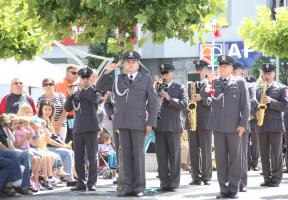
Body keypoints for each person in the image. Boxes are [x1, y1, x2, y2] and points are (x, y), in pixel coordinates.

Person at [96, 51, 159, 197]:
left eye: (133, 62)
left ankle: (139, 188)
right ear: (124, 64)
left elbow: (154, 103)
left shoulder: (146, 80)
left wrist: (150, 123)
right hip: (122, 122)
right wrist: (107, 72)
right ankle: (128, 187)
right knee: (126, 156)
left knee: (138, 156)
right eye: (128, 62)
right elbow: (99, 87)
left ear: (138, 64)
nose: (130, 64)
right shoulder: (119, 79)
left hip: (138, 122)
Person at [200, 55, 250, 199]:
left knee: (235, 159)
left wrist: (243, 125)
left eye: (226, 66)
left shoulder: (239, 82)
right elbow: (203, 95)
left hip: (235, 128)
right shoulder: (213, 82)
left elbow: (245, 106)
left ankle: (233, 189)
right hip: (218, 127)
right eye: (220, 66)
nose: (222, 68)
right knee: (221, 160)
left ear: (231, 68)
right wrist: (208, 82)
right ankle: (223, 189)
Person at [65, 67, 101, 192]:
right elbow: (67, 107)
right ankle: (80, 182)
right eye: (82, 78)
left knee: (92, 157)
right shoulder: (76, 92)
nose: (84, 80)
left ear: (91, 78)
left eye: (87, 78)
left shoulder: (95, 91)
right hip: (78, 129)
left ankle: (92, 183)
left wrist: (81, 90)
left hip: (91, 129)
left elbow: (95, 100)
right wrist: (70, 95)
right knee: (78, 158)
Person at [155, 63, 188, 192]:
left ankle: (174, 183)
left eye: (166, 73)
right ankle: (164, 183)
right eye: (162, 73)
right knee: (161, 157)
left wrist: (170, 99)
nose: (164, 75)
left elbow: (185, 104)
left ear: (172, 73)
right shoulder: (156, 87)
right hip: (159, 126)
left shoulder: (179, 87)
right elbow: (150, 104)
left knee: (174, 157)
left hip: (173, 127)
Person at [256, 63, 288, 187]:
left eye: (269, 73)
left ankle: (276, 178)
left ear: (274, 74)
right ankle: (267, 178)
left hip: (275, 126)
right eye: (265, 73)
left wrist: (271, 101)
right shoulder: (258, 88)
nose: (267, 76)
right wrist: (256, 111)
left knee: (276, 153)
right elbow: (253, 104)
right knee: (263, 153)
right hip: (261, 124)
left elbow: (285, 106)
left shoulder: (281, 88)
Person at [232, 61, 257, 193]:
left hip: (242, 123)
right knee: (231, 156)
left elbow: (254, 101)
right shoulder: (227, 84)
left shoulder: (248, 85)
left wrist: (242, 102)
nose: (233, 73)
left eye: (235, 71)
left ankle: (242, 183)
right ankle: (232, 182)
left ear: (240, 72)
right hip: (229, 125)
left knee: (241, 155)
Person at [187, 59, 213, 186]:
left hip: (205, 122)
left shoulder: (210, 85)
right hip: (192, 121)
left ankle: (206, 176)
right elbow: (184, 102)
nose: (198, 72)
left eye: (200, 69)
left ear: (206, 71)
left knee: (206, 150)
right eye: (197, 69)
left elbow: (215, 102)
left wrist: (202, 98)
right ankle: (195, 177)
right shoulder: (189, 85)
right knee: (193, 151)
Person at [54, 65, 79, 143]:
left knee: (72, 139)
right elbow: (63, 104)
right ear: (67, 73)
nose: (76, 75)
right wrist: (61, 120)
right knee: (68, 140)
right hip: (65, 117)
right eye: (74, 73)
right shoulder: (62, 84)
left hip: (71, 117)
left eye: (77, 73)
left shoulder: (72, 84)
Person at [245, 75, 260, 171]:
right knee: (245, 143)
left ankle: (254, 164)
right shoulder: (244, 91)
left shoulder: (257, 91)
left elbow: (258, 104)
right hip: (245, 120)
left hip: (254, 121)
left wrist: (252, 115)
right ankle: (247, 164)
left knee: (256, 143)